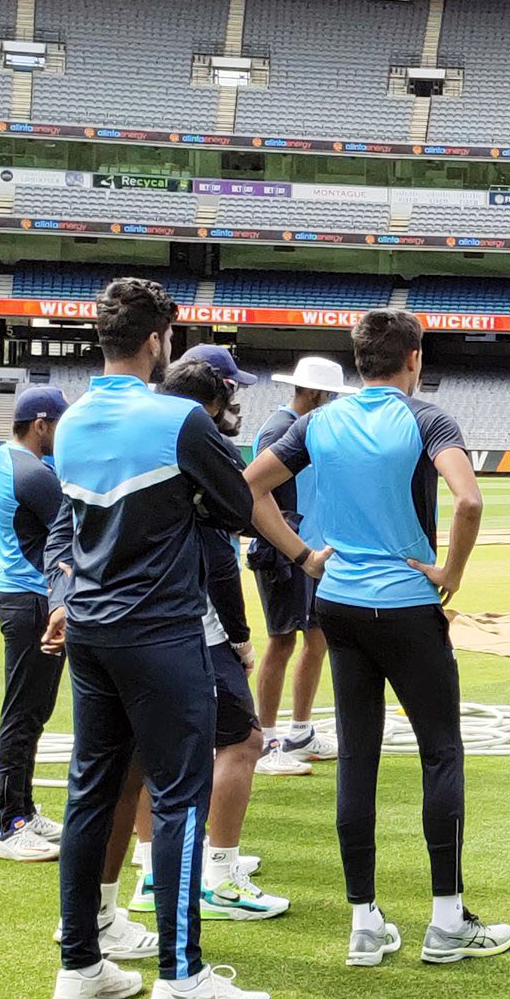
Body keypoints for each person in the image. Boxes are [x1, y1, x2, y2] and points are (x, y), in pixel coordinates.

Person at [246, 309, 510, 968]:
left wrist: (305, 556)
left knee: (358, 758)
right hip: (409, 606)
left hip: (338, 603)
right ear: (413, 358)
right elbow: (469, 500)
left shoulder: (315, 422)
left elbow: (247, 489)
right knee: (440, 753)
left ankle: (364, 921)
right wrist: (451, 569)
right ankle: (447, 919)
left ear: (358, 361)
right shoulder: (426, 418)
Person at [43, 277, 265, 999]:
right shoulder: (178, 419)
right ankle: (181, 972)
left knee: (90, 791)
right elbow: (236, 506)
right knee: (177, 796)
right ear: (156, 342)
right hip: (163, 630)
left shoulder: (70, 421)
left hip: (92, 628)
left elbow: (69, 526)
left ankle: (80, 965)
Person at [158, 355, 291, 923]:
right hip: (194, 621)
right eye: (231, 389)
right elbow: (219, 548)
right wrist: (237, 634)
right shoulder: (198, 440)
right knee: (242, 739)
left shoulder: (142, 429)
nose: (237, 401)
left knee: (145, 750)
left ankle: (147, 871)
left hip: (131, 617)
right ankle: (219, 873)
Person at [246, 356, 353, 777]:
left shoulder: (299, 427)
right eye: (327, 396)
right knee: (282, 641)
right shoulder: (281, 429)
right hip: (285, 552)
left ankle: (300, 730)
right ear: (315, 394)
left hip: (307, 550)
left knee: (315, 637)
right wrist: (294, 548)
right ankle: (267, 738)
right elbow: (258, 493)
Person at [0, 385, 71, 862]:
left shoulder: (11, 457)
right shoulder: (34, 473)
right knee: (23, 713)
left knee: (33, 711)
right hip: (30, 599)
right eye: (58, 426)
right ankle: (9, 823)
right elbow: (73, 531)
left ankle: (23, 808)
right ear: (41, 425)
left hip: (25, 596)